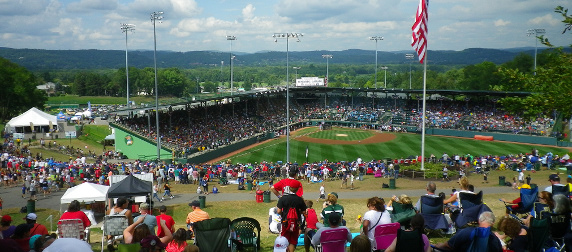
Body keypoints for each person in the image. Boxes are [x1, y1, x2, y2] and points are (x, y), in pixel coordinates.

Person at [432, 211, 502, 252]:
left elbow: (448, 246)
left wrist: (437, 246)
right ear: (492, 224)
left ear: (478, 221)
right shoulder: (494, 239)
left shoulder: (467, 232)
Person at [276, 182, 306, 252]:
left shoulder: (283, 198)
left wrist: (283, 214)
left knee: (284, 238)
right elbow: (304, 212)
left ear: (289, 188)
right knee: (292, 241)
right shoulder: (299, 199)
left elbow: (278, 211)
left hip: (285, 221)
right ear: (297, 189)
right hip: (296, 222)